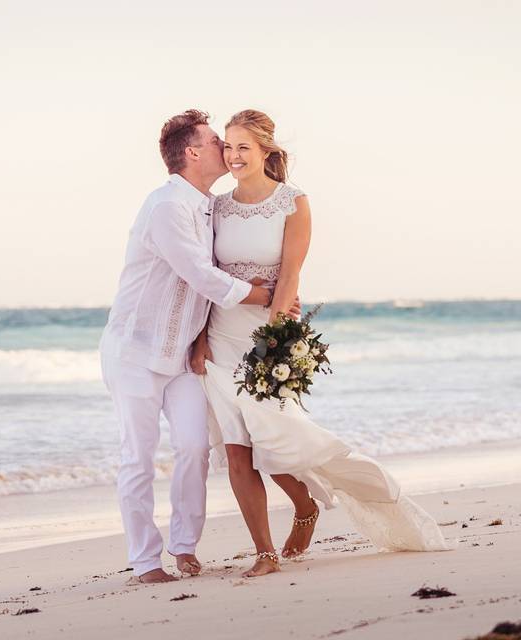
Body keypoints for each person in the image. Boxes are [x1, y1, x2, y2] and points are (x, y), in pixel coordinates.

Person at [191, 109, 454, 578]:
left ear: (266, 151)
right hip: (219, 337)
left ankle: (306, 506)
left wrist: (272, 343)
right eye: (227, 146)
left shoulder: (293, 202)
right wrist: (195, 340)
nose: (232, 155)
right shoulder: (217, 206)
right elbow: (201, 277)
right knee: (237, 447)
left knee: (273, 438)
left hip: (264, 338)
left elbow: (291, 274)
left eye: (242, 147)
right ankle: (265, 553)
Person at [99, 110, 285, 584]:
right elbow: (198, 274)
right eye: (215, 141)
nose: (226, 148)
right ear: (192, 152)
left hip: (182, 357)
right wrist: (264, 295)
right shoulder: (166, 206)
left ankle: (184, 546)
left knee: (194, 447)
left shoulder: (208, 206)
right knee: (138, 457)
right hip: (135, 353)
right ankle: (145, 561)